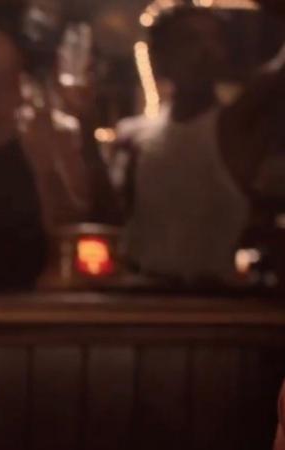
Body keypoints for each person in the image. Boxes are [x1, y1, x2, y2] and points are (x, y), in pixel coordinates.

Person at [0, 3, 119, 293]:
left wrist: (46, 170)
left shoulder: (54, 131)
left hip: (25, 308)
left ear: (20, 46)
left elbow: (78, 229)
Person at [122, 2, 285, 284]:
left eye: (214, 39)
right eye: (189, 40)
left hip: (210, 300)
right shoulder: (136, 137)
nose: (206, 50)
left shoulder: (233, 128)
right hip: (140, 299)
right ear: (162, 57)